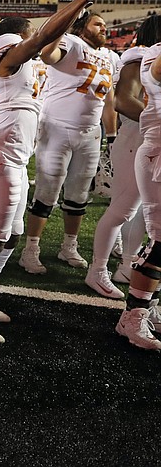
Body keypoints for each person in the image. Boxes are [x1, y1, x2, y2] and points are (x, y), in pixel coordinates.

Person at [0, 0, 125, 344]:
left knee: (13, 235)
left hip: (14, 158)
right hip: (0, 156)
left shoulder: (19, 60)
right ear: (15, 37)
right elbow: (42, 39)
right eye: (27, 36)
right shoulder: (4, 51)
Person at [19, 10, 118, 274]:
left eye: (105, 25)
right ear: (83, 26)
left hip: (90, 134)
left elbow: (109, 101)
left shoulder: (110, 58)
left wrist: (112, 137)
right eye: (98, 24)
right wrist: (67, 23)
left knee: (78, 196)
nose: (104, 28)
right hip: (57, 129)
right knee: (46, 193)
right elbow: (46, 55)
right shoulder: (72, 43)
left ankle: (68, 246)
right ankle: (30, 249)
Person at [87, 16, 160, 298]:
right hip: (135, 137)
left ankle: (128, 266)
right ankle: (97, 271)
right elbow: (123, 100)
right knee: (122, 210)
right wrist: (155, 118)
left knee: (144, 212)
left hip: (145, 138)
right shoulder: (139, 57)